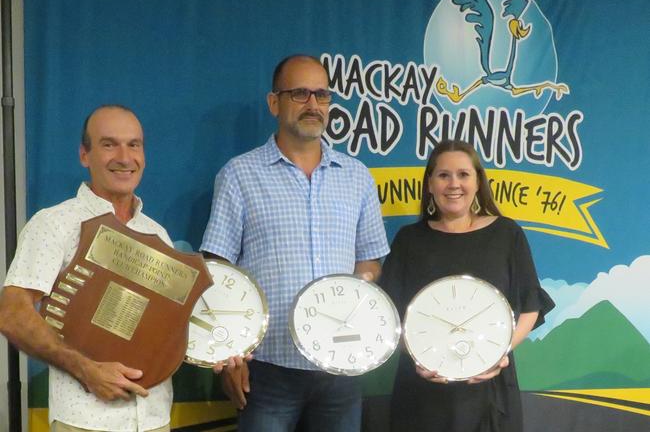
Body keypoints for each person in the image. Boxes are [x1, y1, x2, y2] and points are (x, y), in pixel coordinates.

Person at [0, 105, 232, 432]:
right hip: (84, 422)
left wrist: (222, 347)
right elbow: (12, 313)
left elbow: (170, 329)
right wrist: (85, 369)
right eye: (109, 144)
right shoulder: (54, 223)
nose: (124, 157)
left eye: (134, 145)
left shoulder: (157, 234)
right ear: (85, 155)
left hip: (154, 420)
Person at [200, 54, 390, 431]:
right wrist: (230, 355)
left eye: (321, 95)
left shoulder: (357, 177)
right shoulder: (240, 175)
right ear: (275, 103)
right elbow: (217, 272)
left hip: (341, 366)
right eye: (300, 94)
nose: (313, 105)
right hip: (267, 369)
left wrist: (358, 290)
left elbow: (370, 261)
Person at [380, 139, 554, 432]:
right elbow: (388, 317)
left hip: (489, 392)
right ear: (430, 184)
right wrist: (416, 355)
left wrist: (497, 354)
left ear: (477, 182)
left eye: (463, 174)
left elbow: (530, 307)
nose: (454, 184)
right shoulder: (408, 240)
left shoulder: (506, 234)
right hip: (422, 394)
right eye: (443, 175)